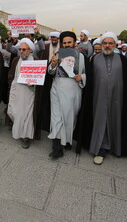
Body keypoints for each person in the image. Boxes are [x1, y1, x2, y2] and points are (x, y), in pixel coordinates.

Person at [84, 32, 127, 165]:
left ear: (115, 45)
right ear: (101, 44)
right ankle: (100, 149)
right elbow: (89, 79)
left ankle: (116, 147)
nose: (107, 45)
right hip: (98, 97)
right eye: (105, 43)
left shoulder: (122, 59)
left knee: (116, 120)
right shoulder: (94, 59)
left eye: (110, 43)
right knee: (101, 120)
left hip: (117, 98)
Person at [47, 31, 87, 159]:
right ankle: (57, 148)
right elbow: (51, 72)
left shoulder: (81, 57)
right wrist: (52, 65)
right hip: (57, 90)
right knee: (56, 119)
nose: (67, 44)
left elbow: (88, 74)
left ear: (74, 43)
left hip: (73, 93)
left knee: (70, 120)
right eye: (64, 42)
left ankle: (67, 140)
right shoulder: (58, 55)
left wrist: (82, 77)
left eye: (69, 42)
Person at [7, 38, 39, 148]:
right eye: (20, 49)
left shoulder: (35, 61)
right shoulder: (16, 60)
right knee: (14, 111)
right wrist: (12, 84)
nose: (21, 51)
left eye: (24, 49)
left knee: (27, 115)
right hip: (16, 90)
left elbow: (39, 80)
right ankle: (18, 130)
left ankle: (26, 137)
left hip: (29, 92)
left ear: (30, 50)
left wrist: (33, 83)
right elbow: (11, 74)